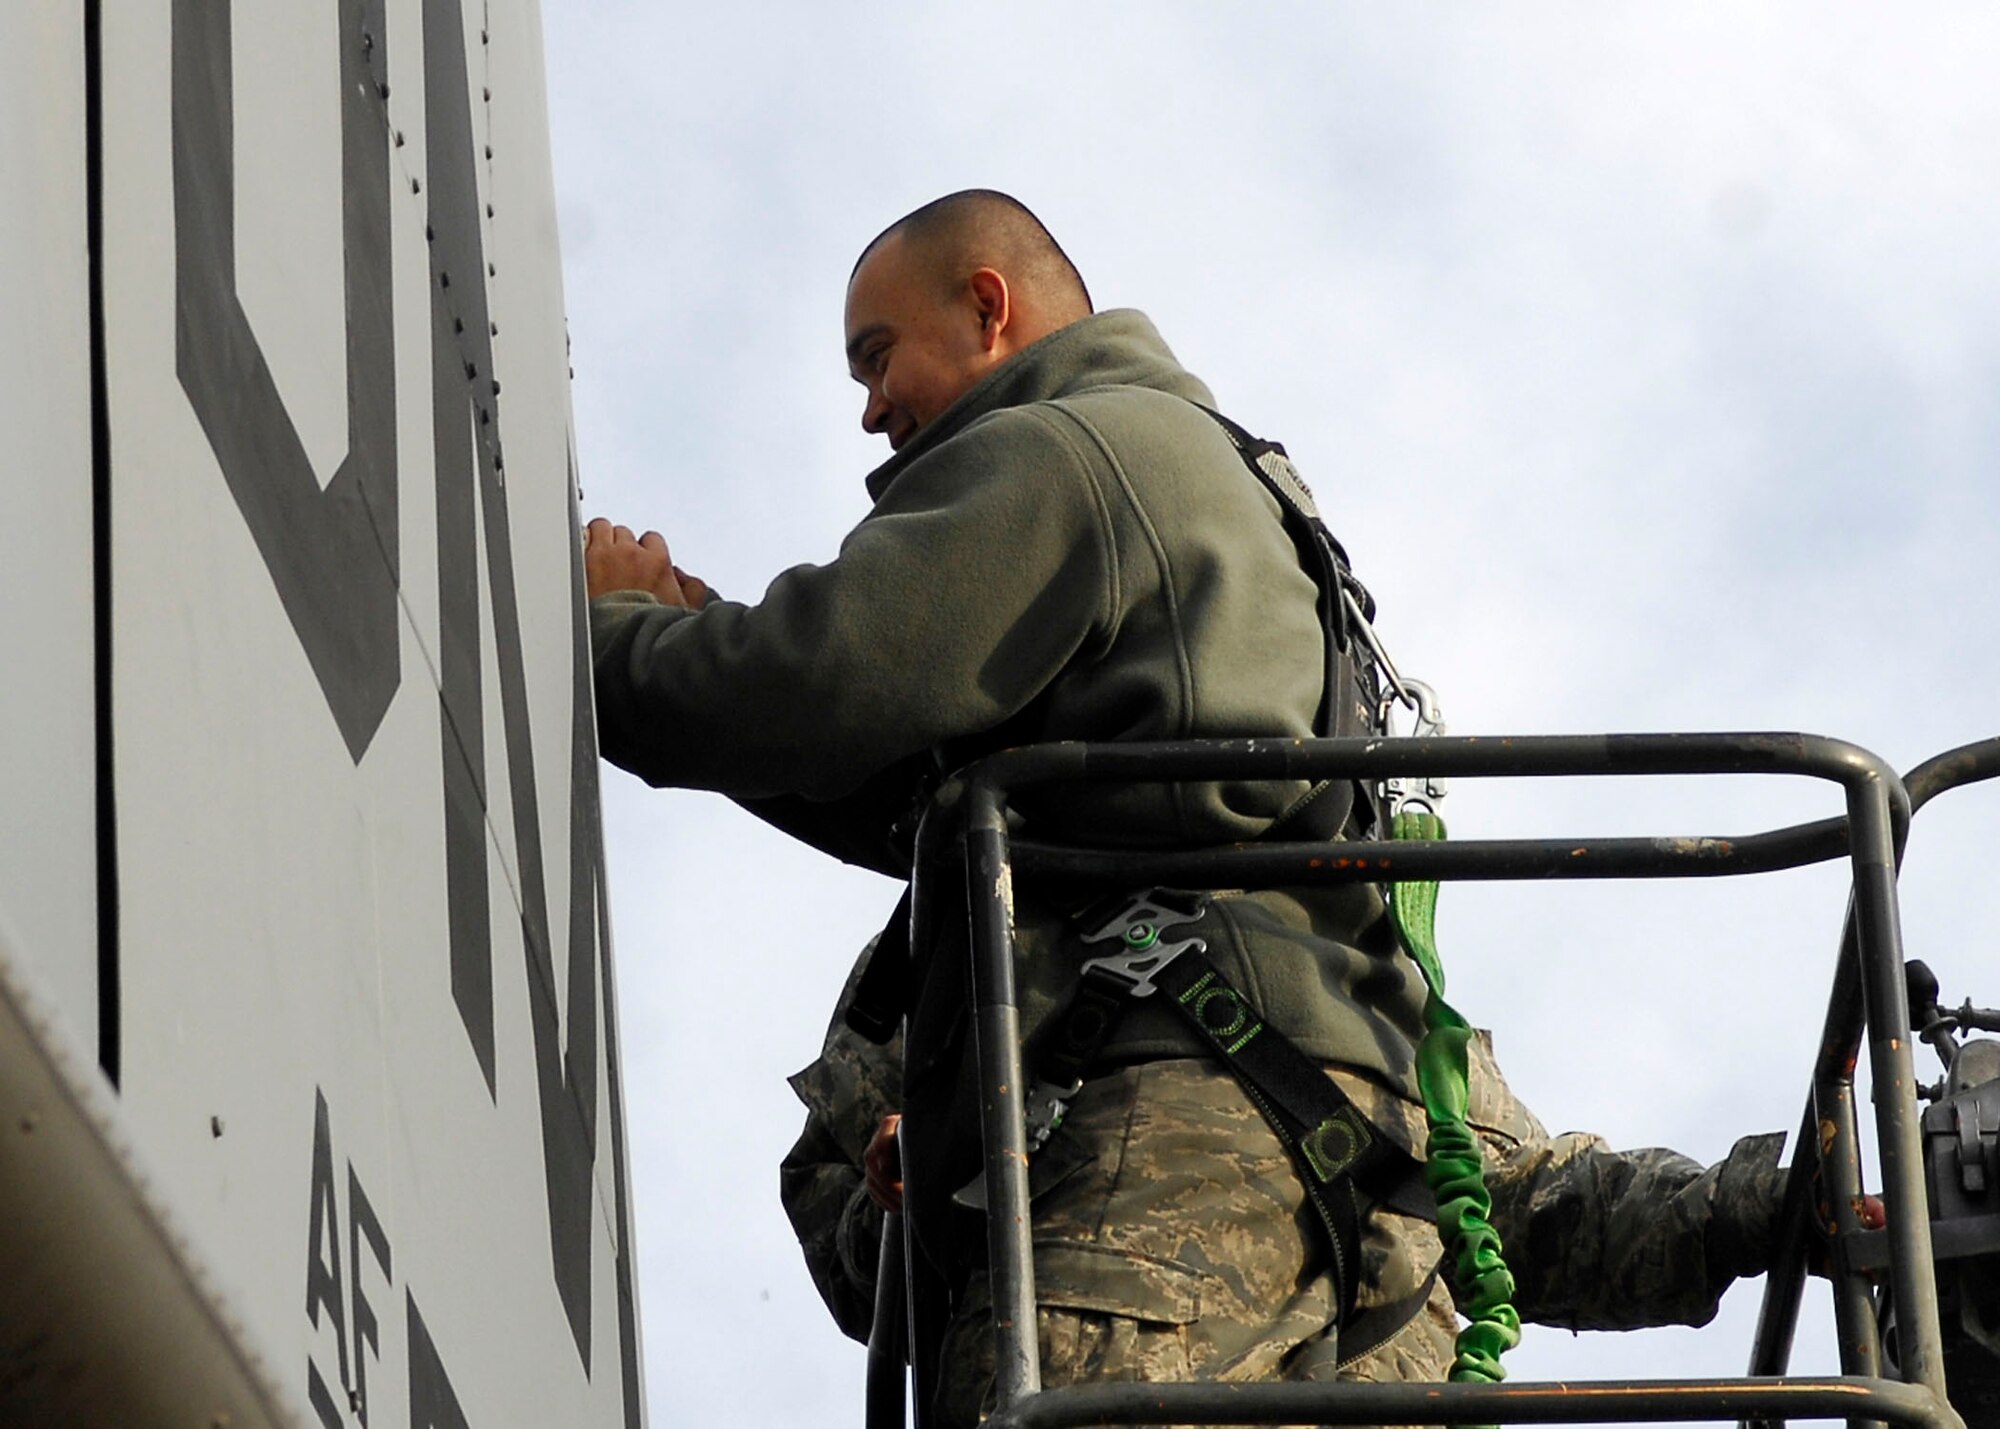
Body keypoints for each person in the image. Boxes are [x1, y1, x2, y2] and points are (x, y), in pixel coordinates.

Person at [586, 190, 1790, 1423]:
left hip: (1146, 1215)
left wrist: (608, 633)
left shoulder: (1064, 453)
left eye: (876, 355)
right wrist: (1781, 1204)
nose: (870, 405)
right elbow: (888, 778)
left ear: (987, 307)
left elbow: (815, 683)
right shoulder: (1319, 932)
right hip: (1376, 1301)